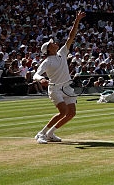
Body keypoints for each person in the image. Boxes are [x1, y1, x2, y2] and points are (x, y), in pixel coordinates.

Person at [32, 10, 85, 144]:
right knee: (63, 112)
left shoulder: (62, 52)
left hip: (67, 87)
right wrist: (40, 79)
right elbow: (36, 74)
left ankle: (51, 133)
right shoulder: (47, 62)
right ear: (49, 49)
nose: (55, 43)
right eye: (52, 43)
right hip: (54, 89)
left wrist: (77, 20)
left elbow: (71, 36)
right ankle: (41, 134)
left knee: (71, 113)